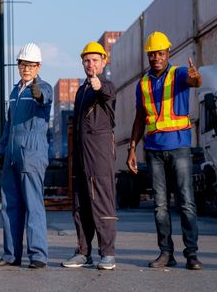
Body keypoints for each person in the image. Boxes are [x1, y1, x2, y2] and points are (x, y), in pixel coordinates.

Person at [127, 31, 203, 270]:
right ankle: (166, 253)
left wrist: (196, 77)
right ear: (148, 56)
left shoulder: (179, 73)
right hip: (153, 150)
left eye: (160, 53)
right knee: (160, 205)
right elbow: (140, 118)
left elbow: (194, 82)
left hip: (179, 147)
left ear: (168, 53)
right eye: (152, 54)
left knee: (186, 202)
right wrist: (131, 149)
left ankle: (192, 254)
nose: (156, 57)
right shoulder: (143, 83)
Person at [0, 42, 52, 269]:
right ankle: (11, 255)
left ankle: (38, 255)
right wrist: (3, 150)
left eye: (31, 65)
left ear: (38, 66)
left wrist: (38, 94)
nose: (27, 68)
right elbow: (9, 124)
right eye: (23, 64)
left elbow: (43, 97)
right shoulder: (15, 91)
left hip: (32, 155)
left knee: (33, 205)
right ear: (18, 66)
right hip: (13, 156)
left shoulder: (44, 87)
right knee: (10, 206)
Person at [61, 42, 118, 270]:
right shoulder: (82, 90)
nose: (90, 64)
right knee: (81, 204)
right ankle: (84, 252)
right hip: (82, 155)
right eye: (87, 60)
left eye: (95, 60)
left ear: (103, 62)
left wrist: (98, 86)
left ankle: (108, 253)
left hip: (100, 154)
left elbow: (107, 94)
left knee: (102, 201)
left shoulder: (106, 85)